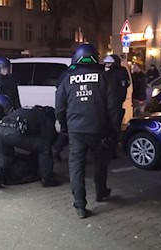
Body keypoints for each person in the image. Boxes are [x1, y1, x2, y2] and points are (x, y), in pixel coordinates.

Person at [55, 43, 118, 219]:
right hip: (99, 129)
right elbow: (113, 107)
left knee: (76, 167)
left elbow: (59, 107)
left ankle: (80, 206)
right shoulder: (105, 77)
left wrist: (65, 126)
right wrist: (114, 130)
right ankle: (101, 192)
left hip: (76, 130)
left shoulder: (67, 78)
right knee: (100, 163)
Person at [0, 105, 61, 188]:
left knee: (6, 155)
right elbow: (48, 137)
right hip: (15, 133)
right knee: (44, 147)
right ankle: (47, 179)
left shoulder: (28, 110)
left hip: (0, 130)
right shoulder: (46, 115)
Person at [103, 54, 130, 158]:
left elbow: (123, 88)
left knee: (114, 129)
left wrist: (118, 101)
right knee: (107, 128)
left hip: (115, 105)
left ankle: (112, 150)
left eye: (109, 63)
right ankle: (108, 148)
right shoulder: (107, 72)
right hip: (107, 105)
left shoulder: (120, 72)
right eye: (106, 63)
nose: (107, 65)